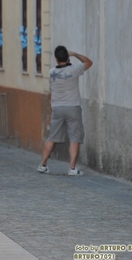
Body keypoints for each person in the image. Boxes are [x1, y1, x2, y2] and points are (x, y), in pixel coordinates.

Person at [37, 45, 93, 176]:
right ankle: (72, 168)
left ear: (56, 59)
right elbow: (88, 62)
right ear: (67, 57)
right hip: (73, 107)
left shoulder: (52, 72)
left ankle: (43, 164)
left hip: (57, 108)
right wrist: (75, 54)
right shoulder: (74, 70)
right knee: (74, 138)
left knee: (52, 137)